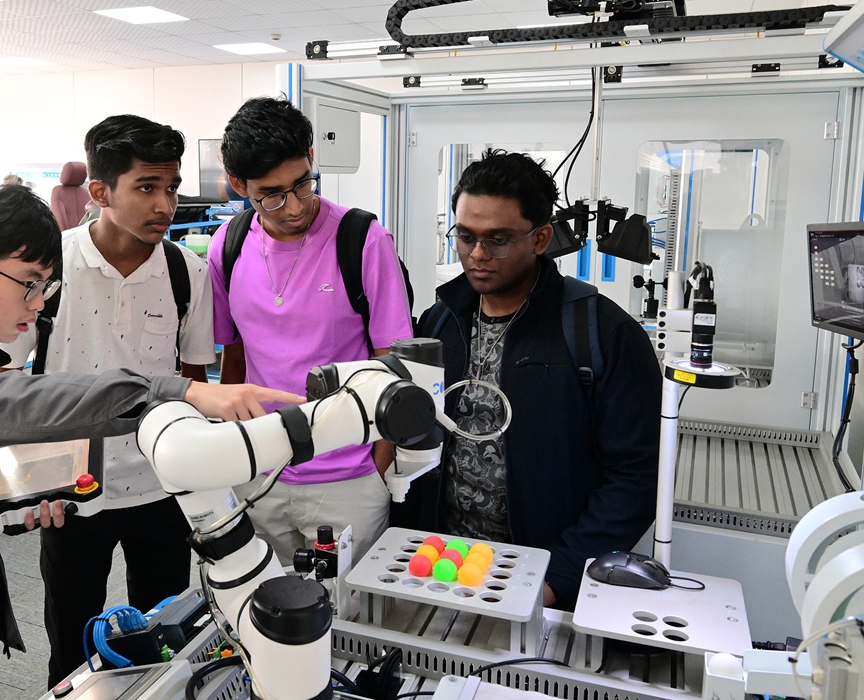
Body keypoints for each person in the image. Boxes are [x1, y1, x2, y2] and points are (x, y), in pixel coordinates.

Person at [0, 183, 301, 700]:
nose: (36, 305)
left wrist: (7, 497)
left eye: (45, 288)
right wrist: (179, 389)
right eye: (28, 284)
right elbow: (18, 400)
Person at [1, 115, 216, 687]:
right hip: (72, 489)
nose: (164, 204)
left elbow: (193, 377)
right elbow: (6, 378)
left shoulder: (185, 271)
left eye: (170, 188)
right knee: (71, 648)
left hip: (161, 486)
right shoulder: (49, 267)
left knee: (165, 638)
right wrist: (25, 479)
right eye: (146, 187)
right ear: (100, 192)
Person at [394, 149, 661, 610]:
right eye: (465, 236)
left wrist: (558, 578)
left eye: (498, 239)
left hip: (542, 578)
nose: (477, 255)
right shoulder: (440, 323)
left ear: (540, 238)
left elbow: (636, 478)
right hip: (440, 567)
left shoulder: (602, 334)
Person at [208, 97, 412, 565]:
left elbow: (392, 361)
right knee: (267, 617)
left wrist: (379, 466)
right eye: (272, 194)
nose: (294, 206)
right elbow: (233, 357)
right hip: (260, 472)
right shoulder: (230, 244)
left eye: (302, 183)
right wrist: (232, 451)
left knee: (350, 623)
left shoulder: (362, 240)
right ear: (239, 186)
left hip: (349, 477)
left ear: (312, 159)